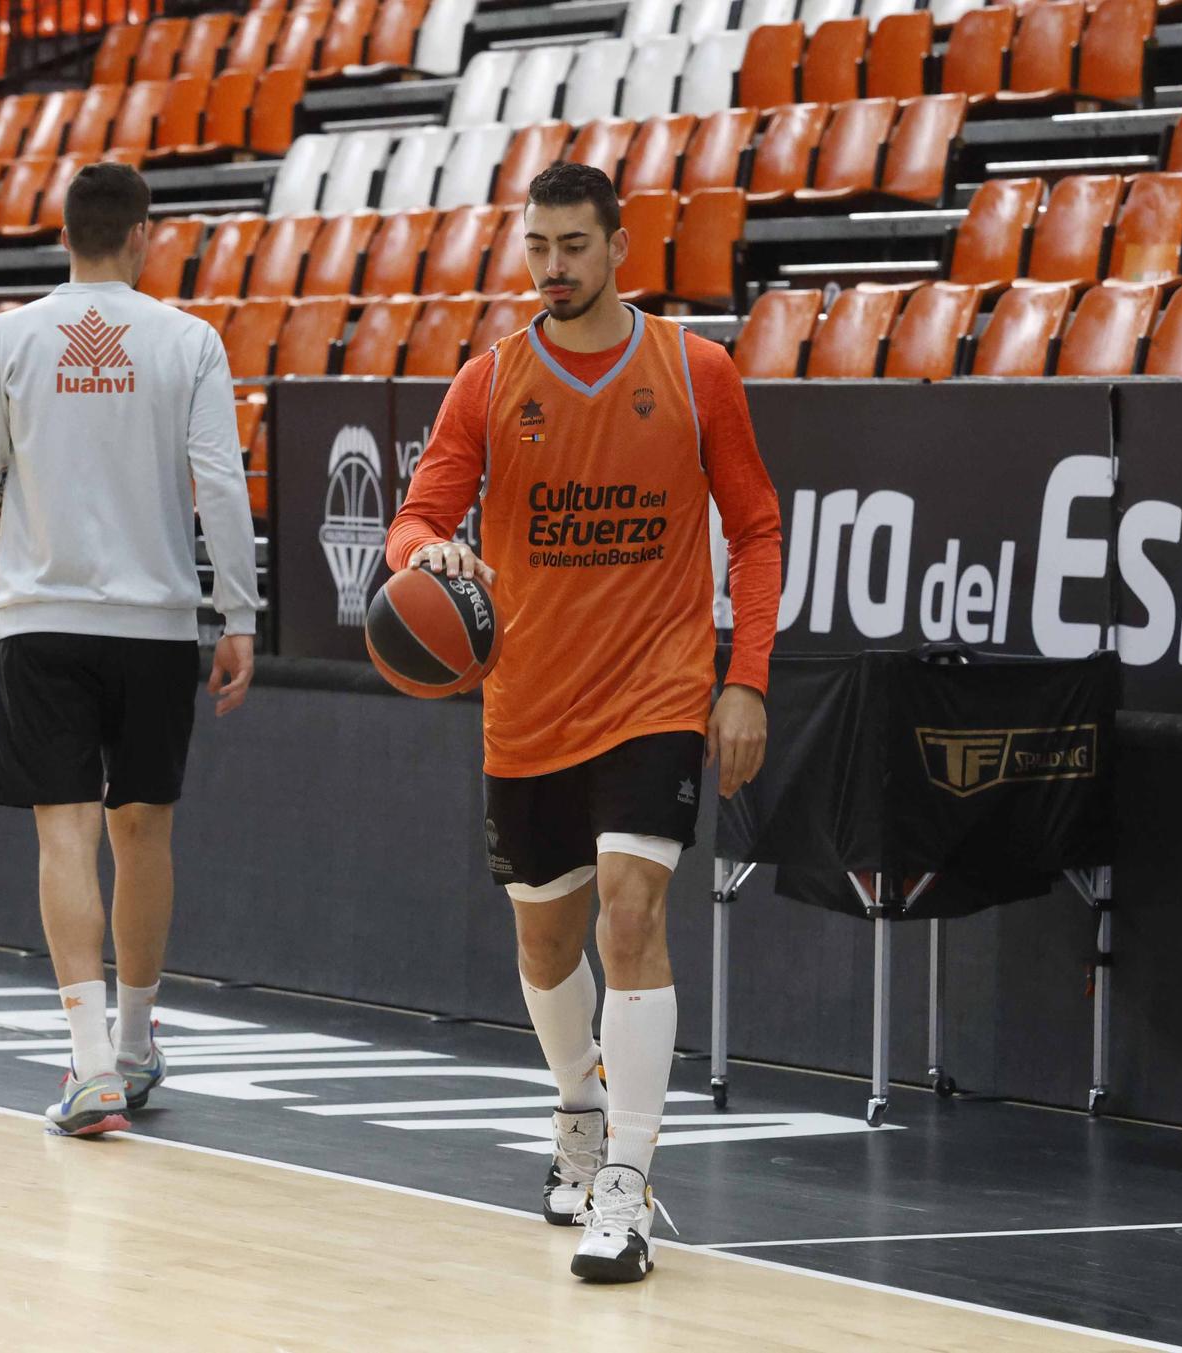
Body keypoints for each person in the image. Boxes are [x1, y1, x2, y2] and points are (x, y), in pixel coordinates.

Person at [387, 162, 782, 1282]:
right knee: (545, 941)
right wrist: (431, 554)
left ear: (619, 248)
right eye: (537, 246)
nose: (552, 268)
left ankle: (628, 1178)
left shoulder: (694, 371)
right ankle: (574, 1107)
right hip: (528, 702)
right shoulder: (489, 381)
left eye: (573, 246)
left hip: (654, 693)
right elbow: (414, 517)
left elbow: (755, 532)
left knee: (630, 912)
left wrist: (741, 676)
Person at [0, 162, 261, 1137]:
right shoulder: (187, 339)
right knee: (143, 832)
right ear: (141, 234)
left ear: (65, 235)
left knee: (64, 835)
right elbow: (222, 486)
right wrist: (238, 615)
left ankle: (90, 1073)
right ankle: (131, 1040)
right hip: (157, 625)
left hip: (43, 621)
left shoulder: (9, 336)